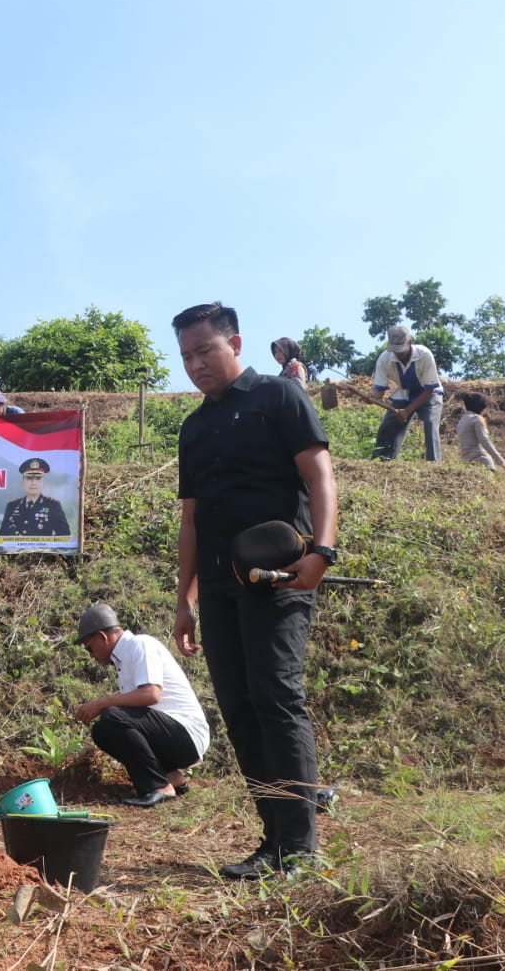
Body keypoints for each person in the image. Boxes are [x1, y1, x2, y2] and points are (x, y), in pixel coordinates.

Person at [171, 302, 338, 881]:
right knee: (240, 710)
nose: (196, 364)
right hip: (218, 585)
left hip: (279, 574)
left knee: (276, 697)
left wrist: (322, 551)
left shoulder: (279, 396)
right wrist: (184, 598)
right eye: (187, 356)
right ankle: (275, 840)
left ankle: (301, 848)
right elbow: (191, 520)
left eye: (205, 351)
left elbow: (319, 474)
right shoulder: (194, 428)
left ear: (235, 343)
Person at [72, 603, 209, 809]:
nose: (91, 654)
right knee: (103, 730)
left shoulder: (140, 645)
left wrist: (102, 702)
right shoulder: (124, 658)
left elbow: (151, 694)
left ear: (103, 637)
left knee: (113, 716)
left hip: (186, 734)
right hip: (169, 733)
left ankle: (158, 787)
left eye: (89, 647)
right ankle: (172, 778)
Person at [371, 324, 444, 462]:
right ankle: (382, 461)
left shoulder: (424, 355)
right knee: (388, 427)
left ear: (410, 342)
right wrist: (371, 397)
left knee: (430, 423)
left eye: (401, 349)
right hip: (403, 394)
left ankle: (434, 464)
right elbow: (379, 392)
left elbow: (429, 389)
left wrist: (408, 410)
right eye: (395, 350)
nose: (398, 353)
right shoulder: (384, 359)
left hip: (429, 393)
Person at [0, 457, 71, 537]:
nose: (33, 483)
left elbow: (64, 536)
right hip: (15, 549)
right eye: (29, 478)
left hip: (43, 549)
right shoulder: (12, 506)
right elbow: (2, 536)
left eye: (38, 478)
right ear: (22, 484)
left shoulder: (52, 505)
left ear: (44, 484)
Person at [456, 393, 505, 471]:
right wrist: (501, 461)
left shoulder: (461, 421)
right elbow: (484, 440)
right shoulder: (478, 419)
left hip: (466, 463)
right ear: (481, 407)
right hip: (482, 461)